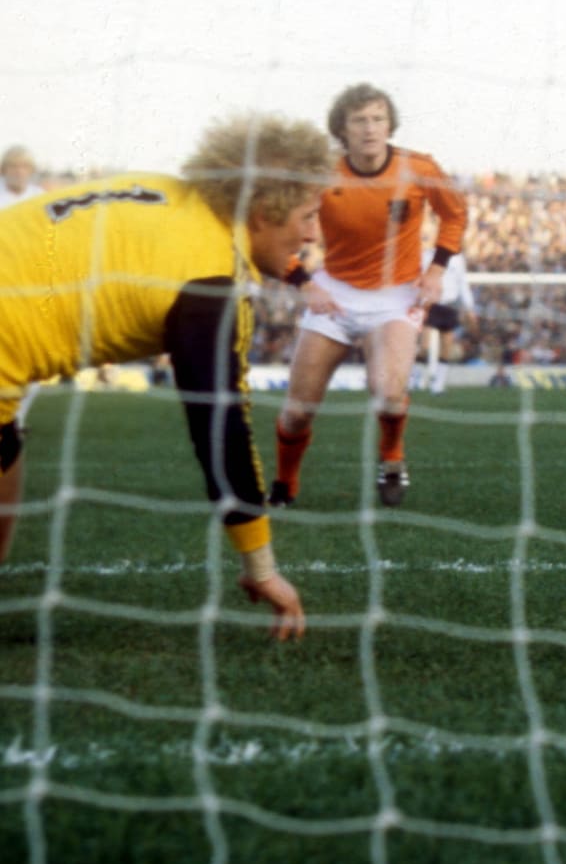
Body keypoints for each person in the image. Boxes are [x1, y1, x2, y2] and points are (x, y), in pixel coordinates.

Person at [0, 114, 327, 640]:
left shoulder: (166, 191)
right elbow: (220, 429)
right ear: (264, 210)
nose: (313, 234)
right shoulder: (210, 278)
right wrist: (261, 567)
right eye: (308, 216)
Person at [272, 83, 468, 508]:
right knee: (298, 411)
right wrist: (305, 283)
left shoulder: (418, 167)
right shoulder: (321, 173)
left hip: (397, 297)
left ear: (390, 124)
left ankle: (392, 458)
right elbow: (276, 228)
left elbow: (455, 214)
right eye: (359, 120)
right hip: (335, 293)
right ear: (341, 129)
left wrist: (436, 269)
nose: (370, 128)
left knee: (388, 391)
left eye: (378, 118)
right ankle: (285, 483)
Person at [2, 146, 52, 426]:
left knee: (33, 356)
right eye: (13, 166)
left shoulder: (40, 199)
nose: (18, 171)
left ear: (31, 170)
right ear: (4, 169)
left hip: (29, 288)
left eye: (24, 166)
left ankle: (17, 420)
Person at [412, 236, 477, 395]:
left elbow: (462, 283)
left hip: (449, 305)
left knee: (446, 347)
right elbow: (420, 279)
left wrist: (469, 307)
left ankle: (438, 385)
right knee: (424, 346)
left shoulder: (458, 259)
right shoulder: (427, 255)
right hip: (431, 305)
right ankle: (414, 378)